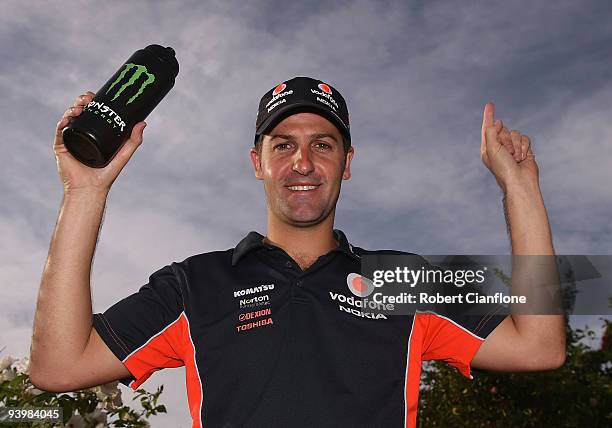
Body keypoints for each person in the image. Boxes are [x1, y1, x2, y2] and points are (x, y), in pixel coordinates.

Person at [30, 76, 566, 427]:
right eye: (282, 145)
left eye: (323, 145)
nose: (303, 163)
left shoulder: (401, 277)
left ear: (347, 163)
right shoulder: (193, 284)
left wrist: (520, 190)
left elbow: (540, 347)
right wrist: (85, 191)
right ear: (257, 162)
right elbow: (57, 367)